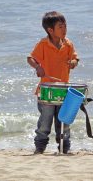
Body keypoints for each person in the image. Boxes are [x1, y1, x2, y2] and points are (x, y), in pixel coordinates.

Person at [27, 11, 79, 154]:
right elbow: (30, 58)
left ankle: (64, 147)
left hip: (63, 89)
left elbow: (75, 58)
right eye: (60, 27)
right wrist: (38, 67)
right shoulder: (43, 44)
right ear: (50, 30)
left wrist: (73, 63)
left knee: (64, 121)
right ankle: (40, 147)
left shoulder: (68, 44)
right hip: (46, 89)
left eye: (65, 26)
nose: (65, 29)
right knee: (45, 121)